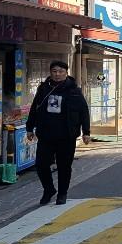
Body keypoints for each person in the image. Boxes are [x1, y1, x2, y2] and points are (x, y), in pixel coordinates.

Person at [25, 61, 91, 206]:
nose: (57, 74)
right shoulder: (43, 88)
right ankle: (49, 189)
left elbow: (83, 111)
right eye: (54, 71)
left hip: (67, 135)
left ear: (66, 73)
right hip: (46, 134)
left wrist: (86, 132)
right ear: (50, 72)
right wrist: (29, 127)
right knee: (41, 165)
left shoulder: (74, 90)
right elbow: (34, 108)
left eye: (60, 71)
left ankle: (62, 193)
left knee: (64, 166)